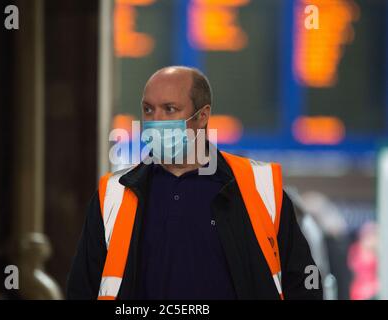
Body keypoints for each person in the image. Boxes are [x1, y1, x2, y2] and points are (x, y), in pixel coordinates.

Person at [67, 66, 322, 300]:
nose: (155, 121)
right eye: (148, 109)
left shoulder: (259, 188)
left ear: (202, 116)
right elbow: (82, 289)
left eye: (169, 109)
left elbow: (304, 282)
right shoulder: (115, 194)